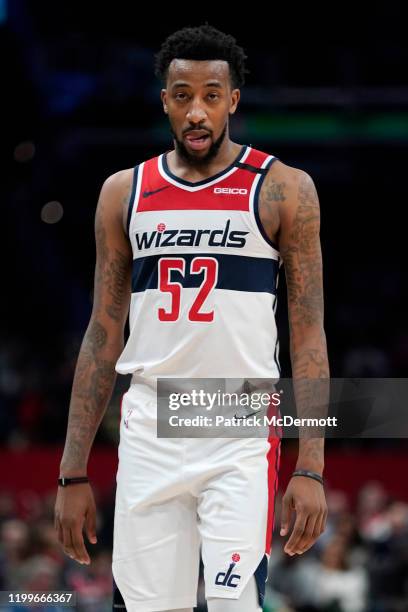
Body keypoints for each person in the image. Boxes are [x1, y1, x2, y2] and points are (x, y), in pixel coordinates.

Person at [54, 24, 329, 612]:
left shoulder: (283, 189)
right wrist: (71, 472)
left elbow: (308, 333)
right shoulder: (123, 193)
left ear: (233, 100)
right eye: (183, 95)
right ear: (165, 100)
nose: (197, 111)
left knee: (235, 606)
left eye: (211, 94)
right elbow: (102, 335)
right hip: (150, 421)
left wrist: (313, 464)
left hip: (238, 419)